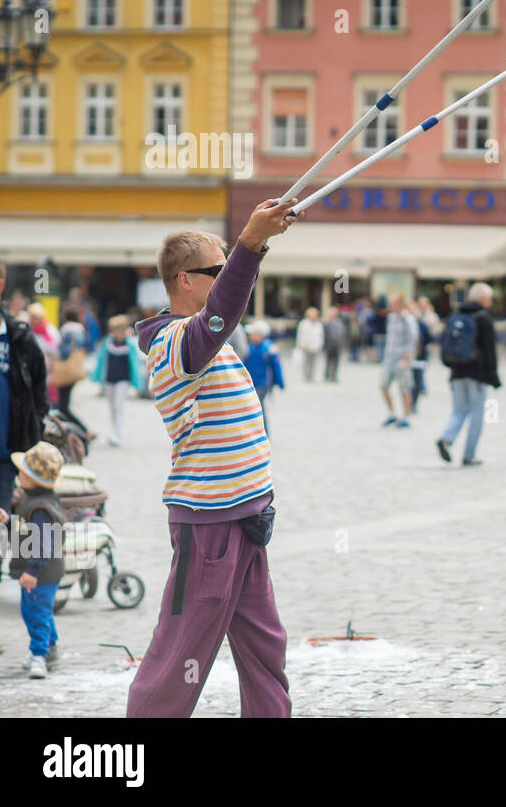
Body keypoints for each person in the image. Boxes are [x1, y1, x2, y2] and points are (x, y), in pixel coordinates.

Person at [127, 199, 299, 718]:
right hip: (208, 528)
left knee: (265, 650)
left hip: (245, 519)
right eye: (216, 270)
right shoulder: (175, 343)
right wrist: (248, 245)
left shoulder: (205, 336)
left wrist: (257, 245)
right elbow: (221, 314)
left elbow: (224, 305)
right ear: (185, 280)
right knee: (177, 656)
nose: (226, 277)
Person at [0, 252, 49, 517]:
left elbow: (39, 390)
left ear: (0, 284)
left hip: (6, 459)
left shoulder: (19, 338)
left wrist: (32, 430)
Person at [7, 441, 66, 679]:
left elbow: (42, 545)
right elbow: (24, 528)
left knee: (35, 613)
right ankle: (50, 647)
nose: (18, 474)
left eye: (22, 472)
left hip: (40, 572)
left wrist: (32, 572)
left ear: (32, 479)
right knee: (43, 610)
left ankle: (39, 655)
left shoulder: (39, 508)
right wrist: (7, 521)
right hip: (48, 571)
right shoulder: (38, 501)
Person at [436, 283, 501, 466]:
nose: (490, 302)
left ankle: (446, 438)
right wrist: (493, 376)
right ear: (481, 298)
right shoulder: (483, 318)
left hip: (456, 372)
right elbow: (490, 350)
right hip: (477, 374)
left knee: (458, 410)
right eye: (489, 298)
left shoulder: (456, 314)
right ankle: (469, 454)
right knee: (477, 414)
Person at [89, 316, 144, 447]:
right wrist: (96, 378)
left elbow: (136, 365)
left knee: (118, 406)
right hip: (109, 379)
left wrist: (138, 384)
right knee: (112, 407)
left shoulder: (130, 344)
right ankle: (114, 431)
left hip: (123, 379)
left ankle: (117, 434)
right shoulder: (107, 342)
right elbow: (100, 361)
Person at [379, 295, 416, 429]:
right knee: (383, 385)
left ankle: (406, 416)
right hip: (389, 358)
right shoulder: (391, 318)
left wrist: (406, 360)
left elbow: (411, 342)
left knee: (404, 389)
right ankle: (392, 414)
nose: (390, 306)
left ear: (400, 304)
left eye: (392, 303)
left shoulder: (408, 319)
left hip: (402, 360)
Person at [244, 321, 285, 437]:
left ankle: (263, 433)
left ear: (260, 335)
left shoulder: (269, 348)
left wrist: (280, 383)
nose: (250, 336)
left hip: (263, 383)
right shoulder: (250, 347)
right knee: (253, 408)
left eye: (252, 333)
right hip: (251, 382)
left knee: (258, 407)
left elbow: (276, 367)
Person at [54, 306, 90, 435]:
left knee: (62, 406)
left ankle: (83, 431)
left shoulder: (67, 329)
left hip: (66, 370)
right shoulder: (80, 328)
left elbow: (65, 351)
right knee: (64, 405)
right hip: (74, 369)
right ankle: (82, 431)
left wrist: (58, 356)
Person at [294, 307, 324, 384]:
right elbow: (300, 335)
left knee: (314, 363)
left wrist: (320, 345)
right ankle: (306, 376)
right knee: (305, 362)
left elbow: (321, 336)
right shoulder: (303, 323)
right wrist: (299, 344)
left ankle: (312, 376)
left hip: (315, 347)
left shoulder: (319, 324)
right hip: (305, 346)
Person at [322, 308, 346, 383]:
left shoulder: (340, 323)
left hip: (337, 345)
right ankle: (326, 375)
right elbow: (323, 335)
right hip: (329, 345)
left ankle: (334, 376)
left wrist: (343, 345)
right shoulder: (326, 323)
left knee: (336, 361)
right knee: (328, 361)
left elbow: (343, 335)